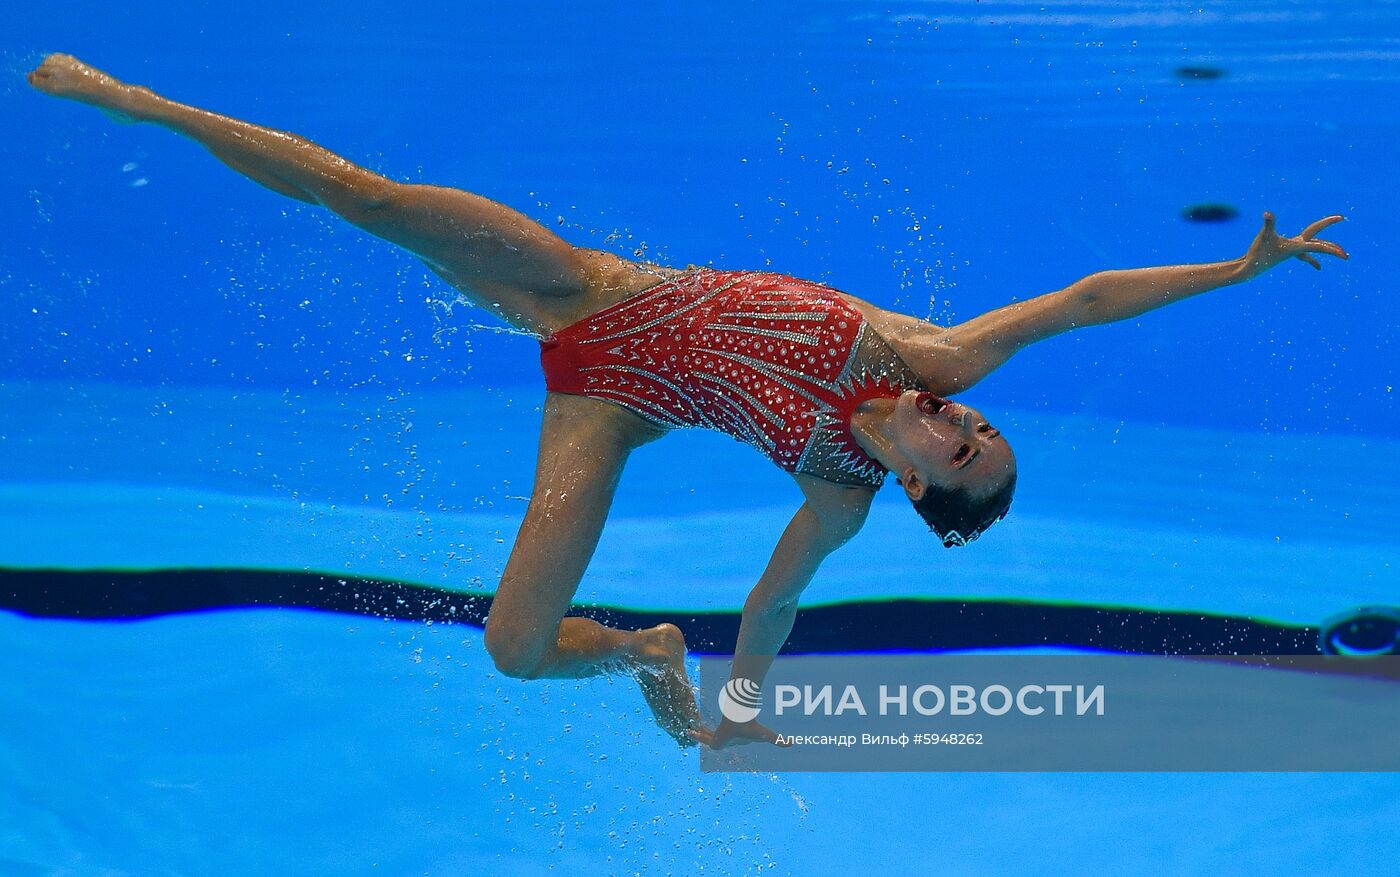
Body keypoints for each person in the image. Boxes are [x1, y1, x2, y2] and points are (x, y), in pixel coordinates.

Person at [27, 54, 1349, 749]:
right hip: (587, 288)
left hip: (603, 401)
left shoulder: (840, 491)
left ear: (926, 487)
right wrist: (1237, 270)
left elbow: (772, 602)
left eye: (968, 456)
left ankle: (640, 647)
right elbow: (1082, 301)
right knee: (369, 198)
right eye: (987, 431)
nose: (970, 426)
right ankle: (132, 101)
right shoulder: (929, 352)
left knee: (515, 643)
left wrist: (739, 694)